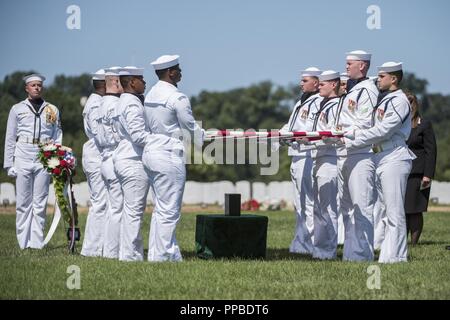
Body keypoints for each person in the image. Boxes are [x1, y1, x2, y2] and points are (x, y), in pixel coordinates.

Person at [344, 61, 415, 263]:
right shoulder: (385, 99)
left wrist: (355, 138)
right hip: (380, 156)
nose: (378, 80)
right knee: (384, 210)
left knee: (394, 211)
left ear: (393, 79)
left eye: (382, 76)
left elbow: (384, 130)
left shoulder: (399, 101)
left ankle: (398, 256)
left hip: (394, 156)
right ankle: (387, 255)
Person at [144, 55, 204, 262]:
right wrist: (203, 138)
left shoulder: (151, 93)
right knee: (170, 209)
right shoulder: (178, 97)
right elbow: (190, 126)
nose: (181, 72)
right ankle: (166, 255)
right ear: (170, 73)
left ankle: (156, 253)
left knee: (160, 208)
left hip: (151, 150)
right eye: (178, 69)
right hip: (169, 152)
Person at [3, 73, 62, 249]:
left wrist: (55, 158)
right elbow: (10, 137)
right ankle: (23, 242)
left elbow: (57, 135)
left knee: (40, 201)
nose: (37, 88)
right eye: (33, 85)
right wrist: (9, 163)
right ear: (26, 88)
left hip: (43, 155)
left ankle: (36, 243)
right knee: (23, 202)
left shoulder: (52, 109)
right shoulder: (17, 109)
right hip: (23, 154)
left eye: (39, 85)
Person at [334, 50, 379, 261]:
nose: (346, 67)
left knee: (361, 207)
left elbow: (364, 123)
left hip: (360, 152)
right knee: (348, 208)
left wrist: (344, 133)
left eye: (349, 63)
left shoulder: (367, 90)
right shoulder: (354, 89)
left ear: (362, 66)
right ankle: (352, 253)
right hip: (346, 151)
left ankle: (363, 254)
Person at [278, 67, 323, 255]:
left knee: (309, 201)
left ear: (316, 83)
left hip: (307, 153)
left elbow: (309, 129)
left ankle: (309, 242)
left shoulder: (317, 102)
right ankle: (300, 241)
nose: (301, 83)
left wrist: (290, 135)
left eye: (305, 81)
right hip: (296, 153)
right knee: (299, 201)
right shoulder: (301, 102)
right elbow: (291, 125)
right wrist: (279, 135)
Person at [113, 66, 151, 262]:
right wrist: (162, 141)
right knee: (134, 211)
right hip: (133, 160)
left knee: (130, 210)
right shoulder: (133, 104)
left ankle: (127, 253)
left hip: (125, 157)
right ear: (132, 82)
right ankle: (131, 255)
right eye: (141, 79)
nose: (145, 82)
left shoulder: (124, 101)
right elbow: (138, 136)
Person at [311, 70, 341, 259]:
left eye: (322, 84)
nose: (318, 87)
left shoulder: (337, 105)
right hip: (319, 157)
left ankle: (328, 250)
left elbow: (334, 134)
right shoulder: (325, 104)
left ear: (333, 84)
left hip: (330, 158)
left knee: (328, 208)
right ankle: (320, 249)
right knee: (319, 208)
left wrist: (310, 139)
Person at [95, 66, 124, 259]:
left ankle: (108, 249)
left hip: (104, 156)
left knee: (111, 208)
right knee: (118, 209)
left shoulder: (101, 103)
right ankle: (114, 252)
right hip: (114, 157)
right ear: (115, 82)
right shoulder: (115, 105)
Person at [80, 69, 108, 257]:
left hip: (96, 155)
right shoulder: (96, 104)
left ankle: (101, 246)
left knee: (102, 202)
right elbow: (100, 135)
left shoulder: (96, 101)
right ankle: (92, 249)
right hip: (96, 155)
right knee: (100, 203)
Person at [404, 92, 437, 245]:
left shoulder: (423, 124)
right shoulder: (398, 124)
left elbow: (431, 151)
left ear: (415, 105)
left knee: (414, 209)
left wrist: (427, 175)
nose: (409, 106)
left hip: (418, 174)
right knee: (402, 209)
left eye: (411, 103)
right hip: (401, 171)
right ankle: (401, 241)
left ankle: (414, 243)